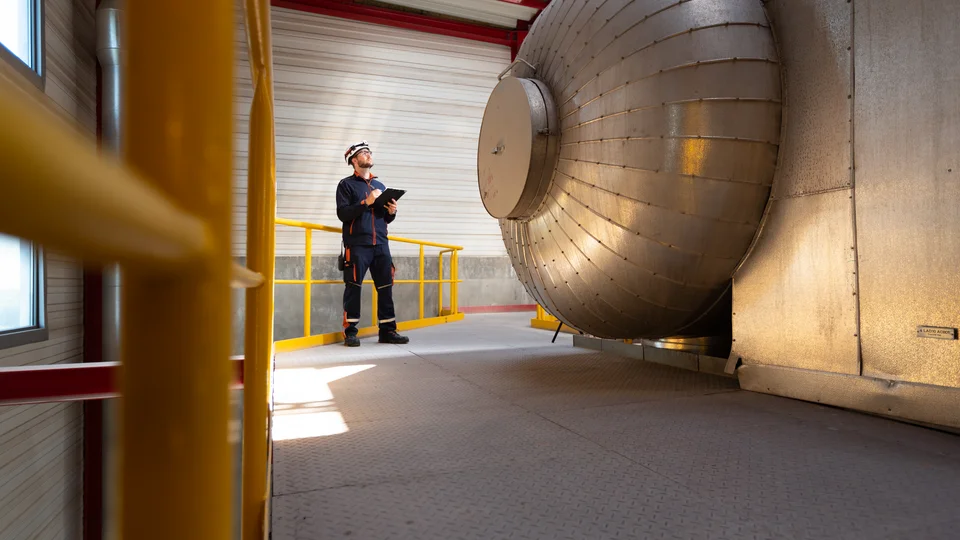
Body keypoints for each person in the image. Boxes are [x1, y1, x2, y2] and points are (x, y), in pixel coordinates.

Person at [336, 141, 409, 347]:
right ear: (353, 160)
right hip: (358, 245)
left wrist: (391, 212)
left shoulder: (380, 186)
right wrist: (365, 202)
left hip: (381, 246)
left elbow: (385, 219)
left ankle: (387, 331)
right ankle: (350, 332)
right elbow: (343, 214)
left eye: (369, 152)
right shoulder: (345, 185)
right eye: (363, 153)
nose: (368, 155)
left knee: (386, 287)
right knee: (353, 287)